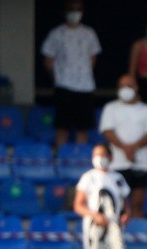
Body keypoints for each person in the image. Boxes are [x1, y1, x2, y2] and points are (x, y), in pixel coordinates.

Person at [75, 144, 131, 249]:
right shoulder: (88, 178)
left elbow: (125, 203)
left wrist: (127, 214)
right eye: (96, 154)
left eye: (103, 154)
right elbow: (78, 205)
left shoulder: (118, 178)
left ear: (110, 157)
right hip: (95, 229)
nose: (100, 157)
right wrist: (94, 215)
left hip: (114, 227)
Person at [41, 0, 103, 150]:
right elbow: (48, 60)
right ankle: (61, 161)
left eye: (78, 9)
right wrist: (58, 79)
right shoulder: (56, 33)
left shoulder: (89, 33)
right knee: (62, 128)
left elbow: (93, 59)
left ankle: (79, 161)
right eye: (71, 9)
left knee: (83, 129)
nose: (75, 12)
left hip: (85, 87)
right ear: (65, 11)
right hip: (64, 86)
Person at [100, 76, 147, 219]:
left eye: (129, 85)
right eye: (122, 86)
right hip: (117, 164)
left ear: (136, 87)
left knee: (138, 204)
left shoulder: (146, 109)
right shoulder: (110, 108)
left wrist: (133, 147)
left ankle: (136, 232)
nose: (125, 89)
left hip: (140, 164)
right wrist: (125, 148)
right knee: (118, 204)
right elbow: (107, 131)